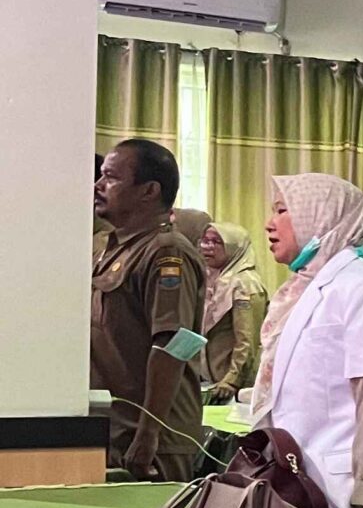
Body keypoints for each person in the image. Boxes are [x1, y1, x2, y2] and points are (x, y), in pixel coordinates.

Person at [250, 172, 363, 508]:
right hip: (296, 488)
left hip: (346, 499)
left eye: (282, 211)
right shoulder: (297, 291)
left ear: (320, 216)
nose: (269, 223)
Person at [91, 139, 208, 481]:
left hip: (155, 439)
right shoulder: (114, 248)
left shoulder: (166, 252)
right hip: (118, 426)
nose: (98, 185)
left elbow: (173, 342)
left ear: (149, 191)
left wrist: (148, 433)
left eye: (111, 177)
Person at [197, 219, 268, 405]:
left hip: (236, 387)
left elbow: (247, 340)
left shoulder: (245, 284)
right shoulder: (209, 279)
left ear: (234, 247)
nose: (208, 247)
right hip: (210, 383)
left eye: (217, 242)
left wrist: (232, 379)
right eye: (205, 240)